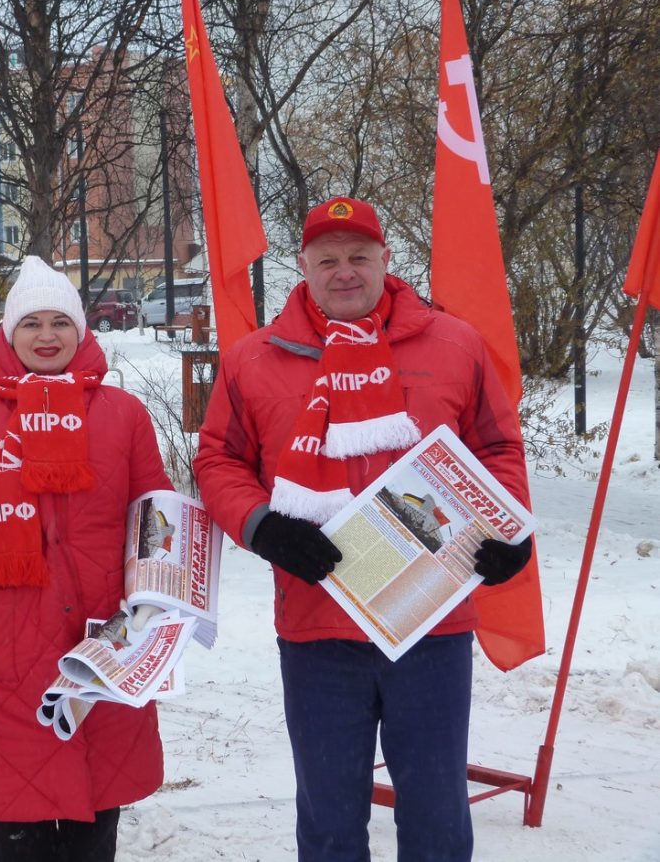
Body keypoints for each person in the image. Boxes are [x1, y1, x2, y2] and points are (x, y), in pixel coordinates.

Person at [193, 197, 534, 862]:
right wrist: (263, 528)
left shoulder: (454, 343)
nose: (343, 272)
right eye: (328, 260)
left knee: (437, 814)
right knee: (329, 821)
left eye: (357, 257)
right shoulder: (252, 360)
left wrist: (508, 530)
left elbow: (497, 448)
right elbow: (219, 459)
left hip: (430, 622)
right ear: (304, 267)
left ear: (385, 259)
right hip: (317, 623)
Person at [0, 256, 171, 861]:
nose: (46, 336)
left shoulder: (123, 416)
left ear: (82, 331)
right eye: (31, 323)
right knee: (11, 828)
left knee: (92, 824)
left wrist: (159, 610)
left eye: (60, 322)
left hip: (101, 653)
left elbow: (154, 524)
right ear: (7, 333)